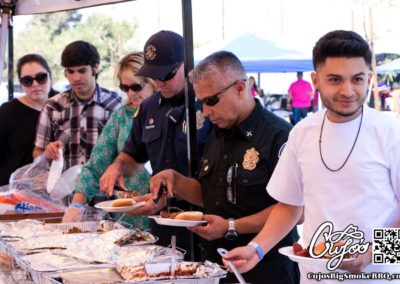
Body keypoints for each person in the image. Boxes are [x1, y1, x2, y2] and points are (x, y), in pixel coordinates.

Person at [222, 30, 400, 284]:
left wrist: (371, 254)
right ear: (316, 81)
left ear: (369, 79)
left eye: (357, 79)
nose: (348, 90)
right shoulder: (302, 132)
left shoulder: (391, 132)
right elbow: (290, 206)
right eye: (335, 80)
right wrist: (257, 249)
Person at [149, 51, 299, 284]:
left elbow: (294, 210)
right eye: (202, 102)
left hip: (266, 267)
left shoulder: (279, 135)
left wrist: (231, 227)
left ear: (240, 88)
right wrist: (176, 181)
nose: (206, 112)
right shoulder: (217, 133)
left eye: (211, 101)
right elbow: (210, 194)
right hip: (215, 266)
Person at [99, 31, 212, 257]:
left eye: (167, 74)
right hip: (162, 223)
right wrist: (118, 166)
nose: (159, 82)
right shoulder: (148, 107)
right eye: (154, 75)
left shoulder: (208, 104)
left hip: (205, 222)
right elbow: (133, 155)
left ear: (186, 65)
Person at [62, 52, 155, 226]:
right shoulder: (121, 116)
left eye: (136, 87)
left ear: (153, 82)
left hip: (165, 217)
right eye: (125, 88)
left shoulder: (170, 113)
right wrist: (76, 204)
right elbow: (95, 167)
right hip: (129, 222)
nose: (131, 93)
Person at [33, 40, 121, 171]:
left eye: (82, 70)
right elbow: (38, 152)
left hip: (104, 187)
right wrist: (48, 153)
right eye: (70, 72)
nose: (76, 78)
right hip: (63, 188)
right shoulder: (52, 106)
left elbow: (127, 154)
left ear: (95, 67)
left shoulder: (116, 104)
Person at [0, 54, 58, 186]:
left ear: (50, 77)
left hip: (59, 189)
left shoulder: (65, 105)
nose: (35, 84)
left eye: (41, 77)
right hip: (14, 191)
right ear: (21, 84)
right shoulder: (8, 112)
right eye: (27, 80)